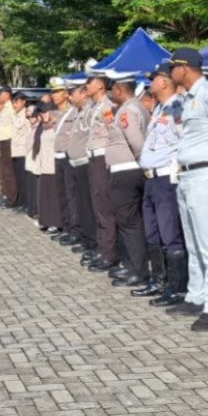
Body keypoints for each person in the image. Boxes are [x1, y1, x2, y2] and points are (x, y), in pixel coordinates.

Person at [167, 48, 208, 332]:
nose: (170, 73)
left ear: (185, 68)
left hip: (207, 173)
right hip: (188, 175)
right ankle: (197, 295)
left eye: (173, 67)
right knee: (193, 242)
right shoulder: (188, 98)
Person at [135, 63, 188, 306]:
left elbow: (183, 142)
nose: (150, 84)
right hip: (151, 178)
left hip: (167, 179)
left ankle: (176, 288)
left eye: (153, 79)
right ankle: (159, 280)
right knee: (153, 232)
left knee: (170, 234)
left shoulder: (179, 106)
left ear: (164, 82)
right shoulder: (159, 108)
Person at [103, 70, 151, 287]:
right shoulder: (137, 107)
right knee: (131, 221)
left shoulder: (127, 111)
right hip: (129, 170)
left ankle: (137, 270)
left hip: (126, 171)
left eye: (112, 88)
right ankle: (134, 265)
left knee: (128, 222)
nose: (111, 92)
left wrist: (144, 167)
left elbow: (137, 143)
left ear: (120, 89)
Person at [84, 69, 119, 272]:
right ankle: (102, 248)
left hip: (102, 157)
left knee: (104, 207)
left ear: (99, 85)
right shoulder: (95, 106)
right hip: (92, 157)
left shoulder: (107, 106)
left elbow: (112, 131)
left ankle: (109, 253)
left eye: (90, 83)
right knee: (97, 206)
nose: (87, 86)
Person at [67, 81, 99, 258]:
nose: (70, 97)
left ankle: (93, 242)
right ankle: (86, 239)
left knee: (88, 206)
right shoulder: (78, 112)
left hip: (87, 163)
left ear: (83, 94)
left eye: (73, 93)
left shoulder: (89, 111)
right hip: (76, 163)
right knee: (81, 204)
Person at [52, 79, 81, 245]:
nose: (54, 95)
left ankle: (75, 230)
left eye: (58, 91)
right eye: (53, 92)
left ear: (66, 94)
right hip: (57, 157)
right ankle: (66, 227)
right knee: (62, 195)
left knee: (72, 196)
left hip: (68, 157)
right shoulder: (59, 113)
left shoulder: (73, 112)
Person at [34, 102, 62, 232]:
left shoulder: (56, 126)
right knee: (44, 195)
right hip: (43, 165)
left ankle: (55, 222)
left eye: (45, 112)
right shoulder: (44, 127)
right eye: (41, 113)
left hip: (52, 165)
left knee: (53, 196)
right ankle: (44, 220)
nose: (43, 115)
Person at [0, 87, 17, 208]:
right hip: (3, 142)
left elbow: (15, 126)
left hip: (8, 141)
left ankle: (11, 199)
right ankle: (8, 196)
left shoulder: (10, 107)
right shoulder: (5, 108)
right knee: (5, 172)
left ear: (7, 94)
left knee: (8, 172)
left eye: (0, 95)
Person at [9, 92, 31, 214]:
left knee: (24, 180)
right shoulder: (15, 115)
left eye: (17, 101)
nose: (14, 104)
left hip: (23, 152)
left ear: (23, 102)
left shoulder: (26, 115)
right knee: (18, 179)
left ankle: (26, 203)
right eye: (13, 101)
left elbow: (29, 134)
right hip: (15, 152)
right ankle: (21, 202)